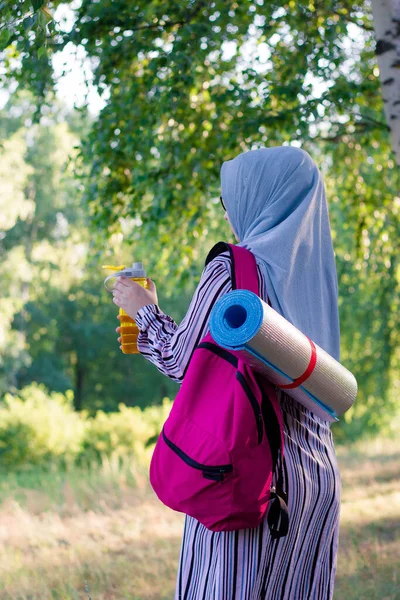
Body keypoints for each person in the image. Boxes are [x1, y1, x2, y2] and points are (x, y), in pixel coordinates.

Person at [112, 145, 341, 600]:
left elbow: (181, 360)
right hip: (316, 478)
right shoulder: (315, 275)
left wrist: (144, 312)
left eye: (228, 201)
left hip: (246, 476)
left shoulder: (235, 267)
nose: (229, 213)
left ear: (258, 199)